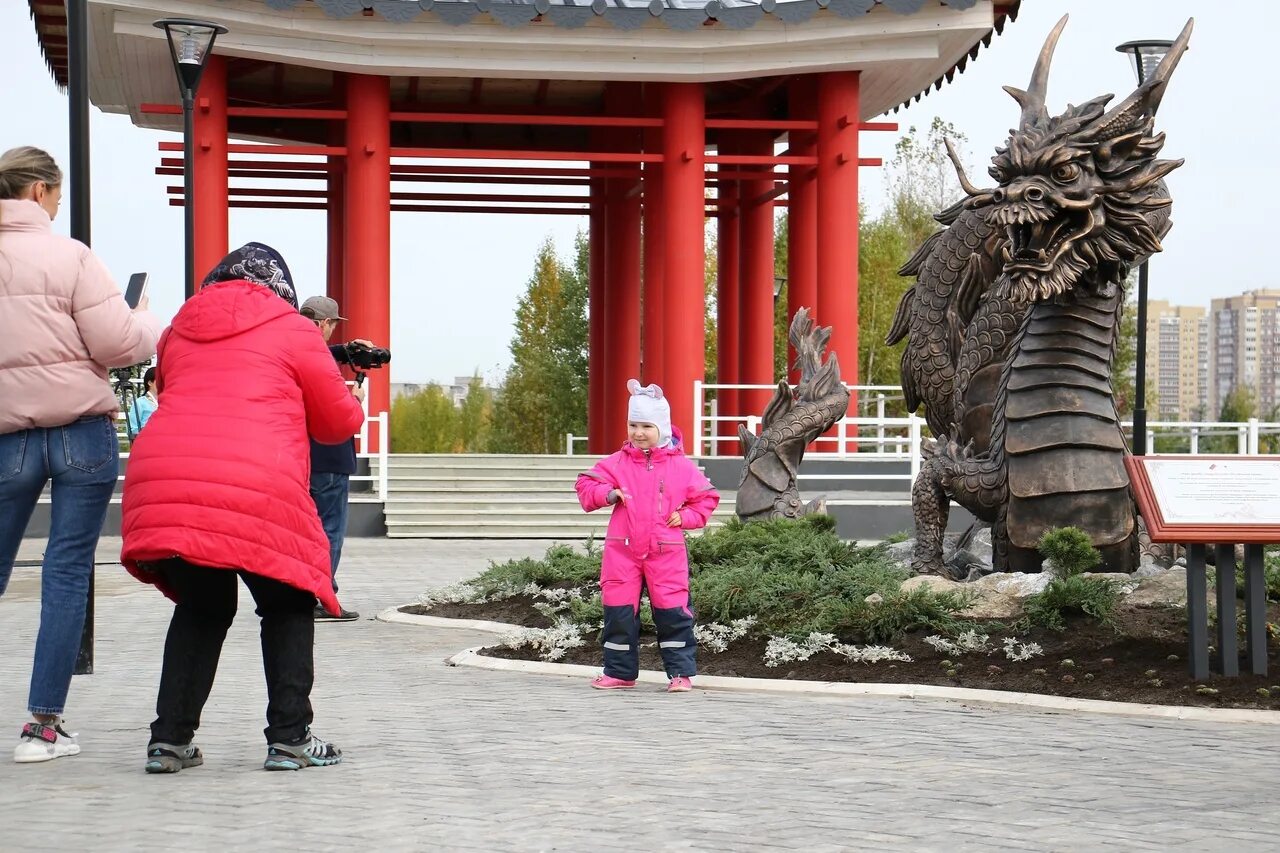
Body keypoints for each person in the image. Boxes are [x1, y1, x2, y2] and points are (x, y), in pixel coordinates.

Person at [120, 242, 364, 773]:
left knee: (202, 607)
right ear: (281, 289)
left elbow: (171, 391)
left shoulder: (178, 329)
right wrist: (351, 394)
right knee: (288, 602)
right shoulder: (295, 329)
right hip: (256, 480)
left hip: (167, 479)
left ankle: (169, 741)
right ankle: (290, 738)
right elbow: (338, 423)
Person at [0, 146, 161, 763]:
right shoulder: (72, 257)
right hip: (81, 433)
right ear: (39, 191)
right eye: (58, 196)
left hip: (8, 437)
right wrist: (144, 321)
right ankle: (42, 728)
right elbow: (117, 344)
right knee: (65, 573)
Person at [574, 380, 720, 693]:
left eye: (646, 426)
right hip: (622, 552)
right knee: (619, 613)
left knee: (673, 612)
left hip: (666, 551)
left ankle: (680, 674)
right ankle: (619, 673)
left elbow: (707, 498)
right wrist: (608, 493)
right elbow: (585, 485)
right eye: (633, 425)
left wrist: (687, 517)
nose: (638, 432)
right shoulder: (617, 462)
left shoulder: (681, 467)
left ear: (661, 428)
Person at [299, 295, 366, 622]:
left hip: (301, 459)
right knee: (330, 532)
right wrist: (356, 399)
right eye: (333, 325)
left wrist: (345, 350)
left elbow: (318, 355)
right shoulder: (321, 365)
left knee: (304, 531)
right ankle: (323, 598)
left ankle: (302, 593)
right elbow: (338, 412)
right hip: (330, 457)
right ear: (325, 323)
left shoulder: (294, 351)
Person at [126, 366, 158, 437]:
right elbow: (132, 428)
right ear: (150, 382)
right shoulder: (140, 402)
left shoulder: (166, 402)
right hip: (147, 439)